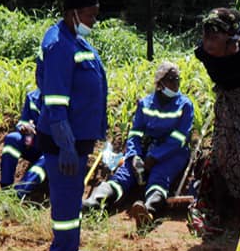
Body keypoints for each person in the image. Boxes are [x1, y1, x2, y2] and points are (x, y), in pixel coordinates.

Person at [33, 0, 108, 251]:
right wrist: (65, 144)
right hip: (64, 138)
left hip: (77, 136)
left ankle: (70, 247)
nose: (93, 21)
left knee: (73, 193)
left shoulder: (73, 39)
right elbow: (54, 100)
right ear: (72, 13)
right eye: (90, 15)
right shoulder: (59, 45)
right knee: (65, 196)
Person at [83, 61, 195, 230]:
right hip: (146, 149)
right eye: (171, 80)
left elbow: (178, 138)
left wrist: (154, 157)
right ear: (160, 83)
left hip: (173, 153)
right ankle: (94, 203)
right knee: (124, 175)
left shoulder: (185, 105)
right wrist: (134, 156)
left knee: (159, 176)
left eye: (177, 79)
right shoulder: (146, 103)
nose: (176, 84)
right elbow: (135, 133)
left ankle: (148, 211)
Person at [191, 8, 240, 232]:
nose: (208, 42)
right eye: (206, 36)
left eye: (214, 38)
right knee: (222, 153)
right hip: (227, 101)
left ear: (230, 39)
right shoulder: (203, 52)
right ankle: (222, 208)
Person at [0, 84, 45, 194]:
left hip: (52, 148)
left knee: (48, 156)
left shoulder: (61, 99)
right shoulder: (32, 96)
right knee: (12, 139)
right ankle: (6, 187)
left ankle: (20, 192)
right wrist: (24, 127)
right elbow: (23, 120)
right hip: (34, 143)